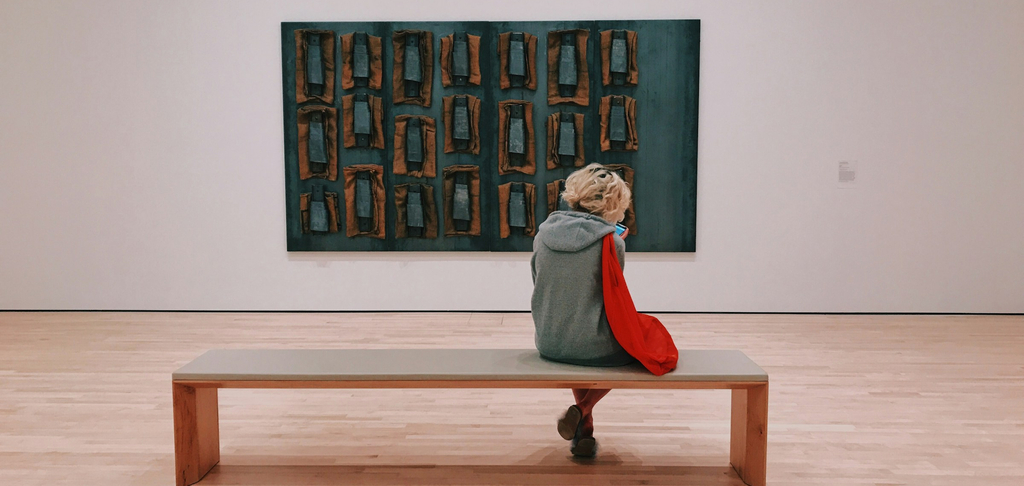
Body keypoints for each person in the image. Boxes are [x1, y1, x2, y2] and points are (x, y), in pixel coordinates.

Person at [530, 163, 634, 458]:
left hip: (549, 341)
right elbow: (611, 298)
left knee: (579, 331)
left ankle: (585, 431)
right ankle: (583, 408)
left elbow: (539, 280)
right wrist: (615, 246)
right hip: (590, 345)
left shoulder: (542, 234)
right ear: (614, 202)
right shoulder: (611, 241)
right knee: (634, 353)